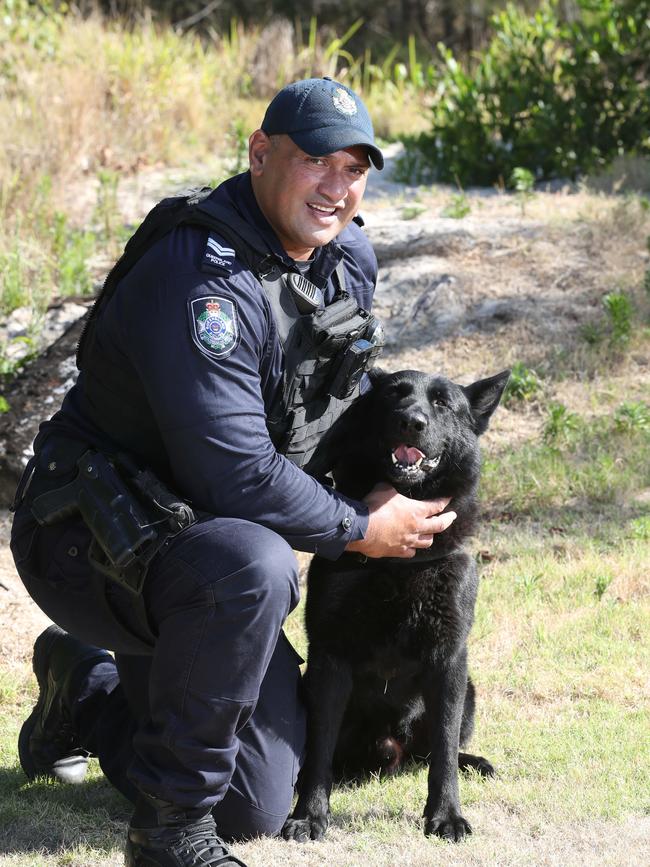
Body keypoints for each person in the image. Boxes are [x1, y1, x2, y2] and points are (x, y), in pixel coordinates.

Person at [10, 78, 456, 867]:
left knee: (254, 799)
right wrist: (358, 527)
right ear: (260, 154)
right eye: (317, 160)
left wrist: (395, 485)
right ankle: (169, 836)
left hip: (199, 556)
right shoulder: (201, 278)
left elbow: (332, 411)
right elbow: (237, 474)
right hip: (90, 536)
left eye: (355, 168)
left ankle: (86, 690)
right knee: (256, 564)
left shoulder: (344, 255)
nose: (338, 187)